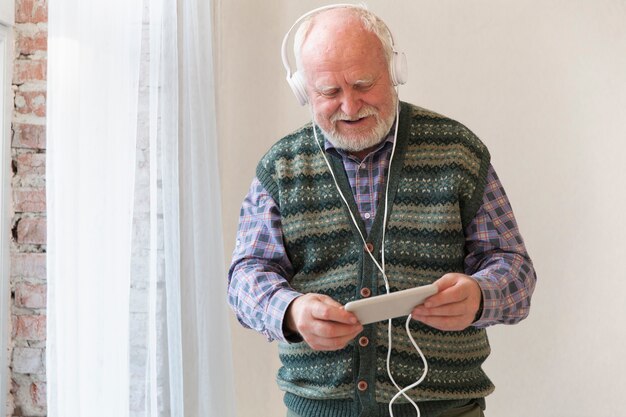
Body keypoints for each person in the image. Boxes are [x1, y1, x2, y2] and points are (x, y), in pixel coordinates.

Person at [228, 5, 536, 417]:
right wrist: (291, 311)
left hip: (444, 409)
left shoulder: (457, 151)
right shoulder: (281, 166)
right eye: (329, 92)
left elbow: (515, 270)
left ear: (394, 71)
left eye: (363, 84)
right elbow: (246, 275)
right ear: (304, 91)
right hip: (320, 408)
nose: (350, 106)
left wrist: (481, 296)